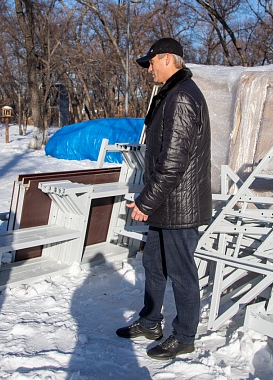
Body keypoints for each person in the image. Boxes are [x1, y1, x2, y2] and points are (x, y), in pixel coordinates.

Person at [117, 38, 212, 360]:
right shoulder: (171, 95)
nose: (149, 69)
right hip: (166, 203)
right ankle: (150, 321)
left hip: (179, 206)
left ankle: (185, 336)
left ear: (168, 58)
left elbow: (173, 162)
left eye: (151, 62)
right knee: (152, 264)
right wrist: (149, 200)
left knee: (182, 273)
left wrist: (145, 202)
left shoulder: (182, 97)